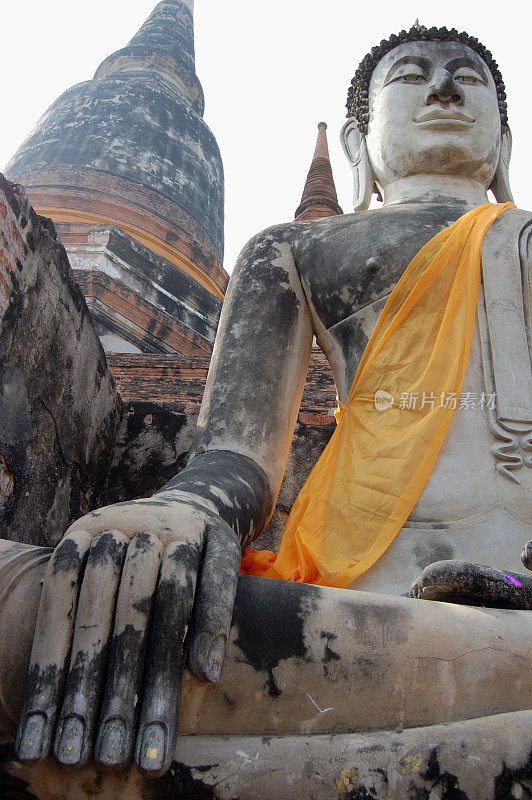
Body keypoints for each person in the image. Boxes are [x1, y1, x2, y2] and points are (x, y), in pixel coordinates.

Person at [9, 24, 532, 780]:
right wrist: (176, 513)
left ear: (504, 142)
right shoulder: (293, 250)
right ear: (358, 145)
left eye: (468, 78)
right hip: (362, 618)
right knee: (38, 613)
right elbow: (234, 460)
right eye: (412, 75)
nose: (445, 90)